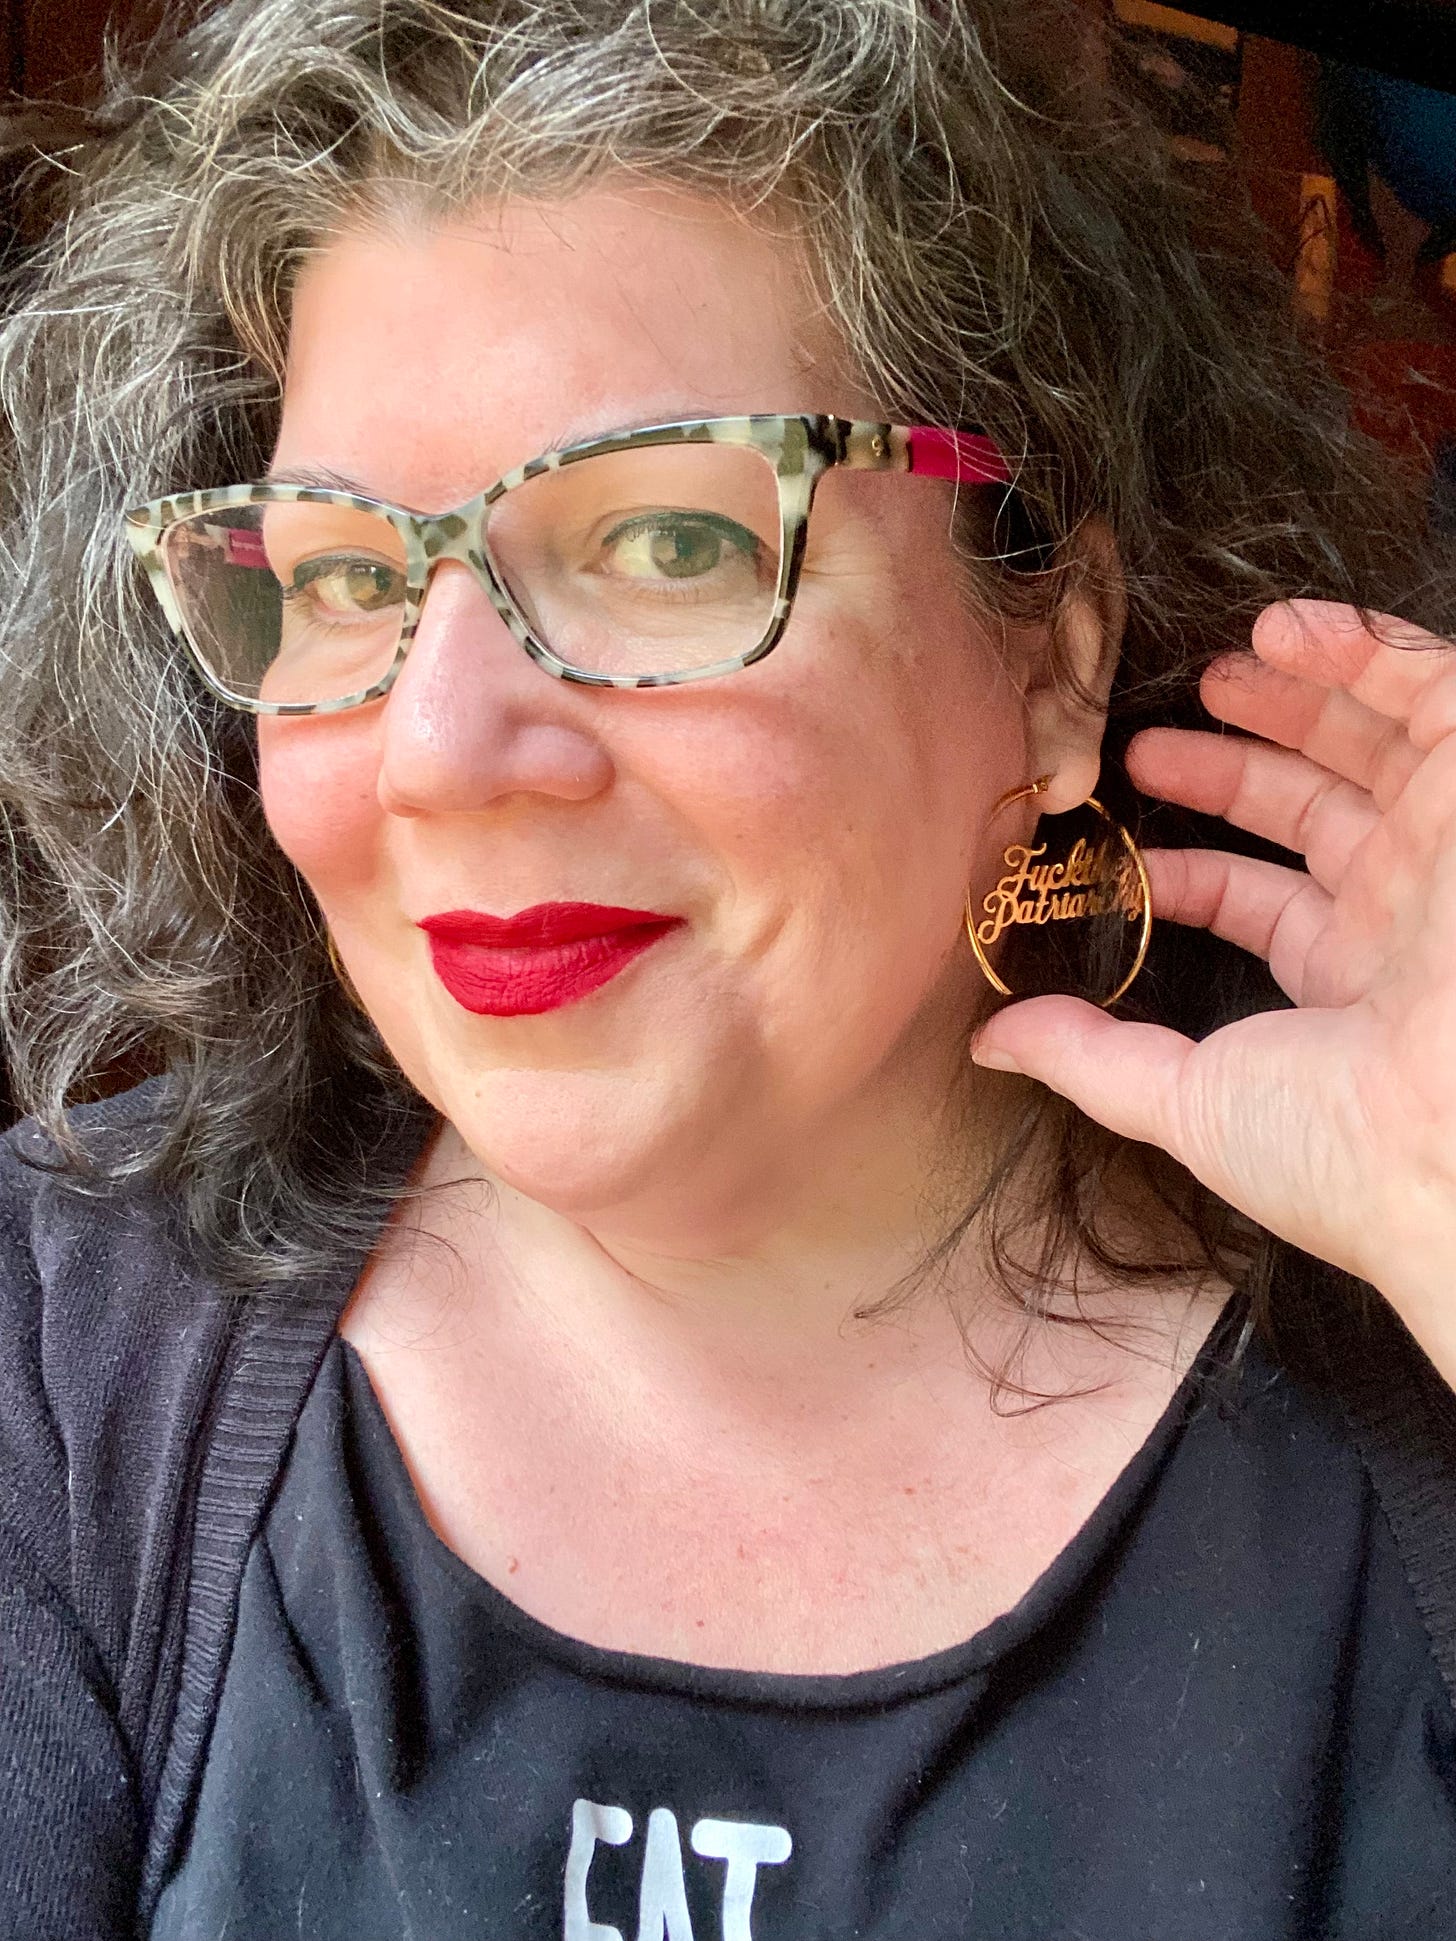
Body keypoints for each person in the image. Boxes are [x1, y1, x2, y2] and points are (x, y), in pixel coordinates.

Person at [0, 1, 1453, 1935]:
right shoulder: (61, 1359)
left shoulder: (1410, 1394)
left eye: (669, 537)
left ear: (1053, 657)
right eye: (343, 575)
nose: (436, 750)